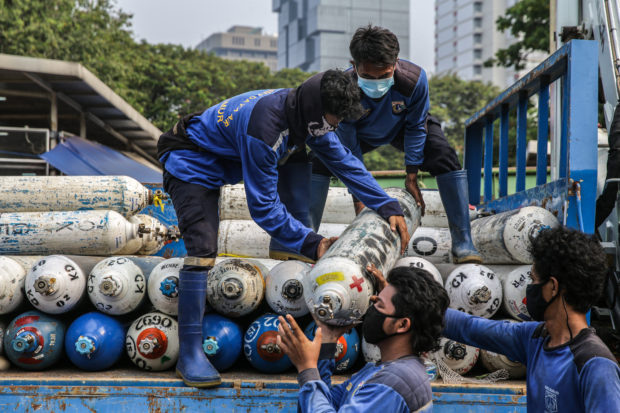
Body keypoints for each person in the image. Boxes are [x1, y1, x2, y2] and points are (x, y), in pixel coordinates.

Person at [157, 70, 410, 388]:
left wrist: (387, 205)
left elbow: (343, 161)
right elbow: (262, 207)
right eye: (332, 120)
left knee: (300, 152)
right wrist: (314, 243)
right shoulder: (267, 130)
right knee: (202, 248)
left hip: (227, 155)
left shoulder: (306, 113)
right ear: (316, 109)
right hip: (191, 161)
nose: (333, 128)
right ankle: (190, 352)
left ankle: (287, 242)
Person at [309, 25, 482, 264]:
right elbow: (347, 148)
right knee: (319, 159)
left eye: (384, 76)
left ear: (396, 62)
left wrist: (412, 174)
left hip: (403, 127)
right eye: (369, 77)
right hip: (361, 133)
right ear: (355, 64)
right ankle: (305, 241)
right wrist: (360, 197)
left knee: (445, 155)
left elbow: (415, 127)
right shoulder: (345, 88)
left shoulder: (414, 80)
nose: (377, 83)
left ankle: (463, 242)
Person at [443, 226, 620, 412]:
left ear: (553, 287)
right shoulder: (535, 338)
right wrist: (418, 302)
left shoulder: (595, 365)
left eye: (534, 280)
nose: (530, 288)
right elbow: (469, 327)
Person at [276, 265, 449, 412]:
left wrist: (307, 368)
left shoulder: (395, 381)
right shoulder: (379, 370)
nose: (371, 310)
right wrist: (328, 341)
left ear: (402, 325)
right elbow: (325, 403)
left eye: (379, 305)